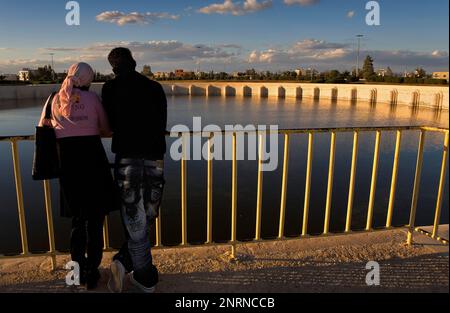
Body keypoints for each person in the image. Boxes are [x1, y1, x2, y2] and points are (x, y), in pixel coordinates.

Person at [38, 62, 116, 290]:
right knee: (95, 219)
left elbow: (43, 125)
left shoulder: (53, 98)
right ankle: (93, 272)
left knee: (77, 219)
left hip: (68, 164)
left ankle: (77, 271)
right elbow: (107, 129)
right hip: (93, 162)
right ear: (89, 79)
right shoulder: (92, 99)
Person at [102, 48, 167, 293]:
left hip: (128, 159)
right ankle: (135, 267)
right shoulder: (155, 88)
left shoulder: (109, 89)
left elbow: (109, 126)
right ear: (135, 62)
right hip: (154, 158)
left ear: (113, 68)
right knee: (148, 214)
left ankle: (140, 273)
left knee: (135, 219)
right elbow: (161, 122)